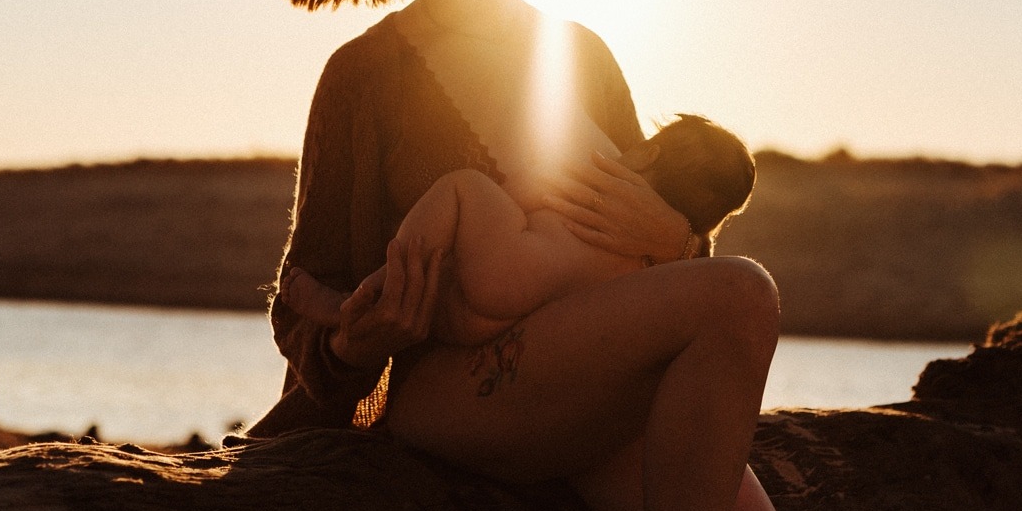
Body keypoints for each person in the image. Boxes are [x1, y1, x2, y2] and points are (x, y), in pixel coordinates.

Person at [250, 0, 813, 511]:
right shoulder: (366, 77)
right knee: (742, 293)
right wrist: (351, 341)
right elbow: (304, 296)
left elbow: (648, 243)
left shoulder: (582, 55)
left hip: (589, 381)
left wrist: (680, 238)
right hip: (449, 390)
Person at [280, 115, 755, 351]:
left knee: (463, 190)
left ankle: (362, 296)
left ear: (648, 156)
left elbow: (526, 192)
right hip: (522, 334)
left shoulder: (603, 175)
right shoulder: (652, 265)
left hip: (508, 273)